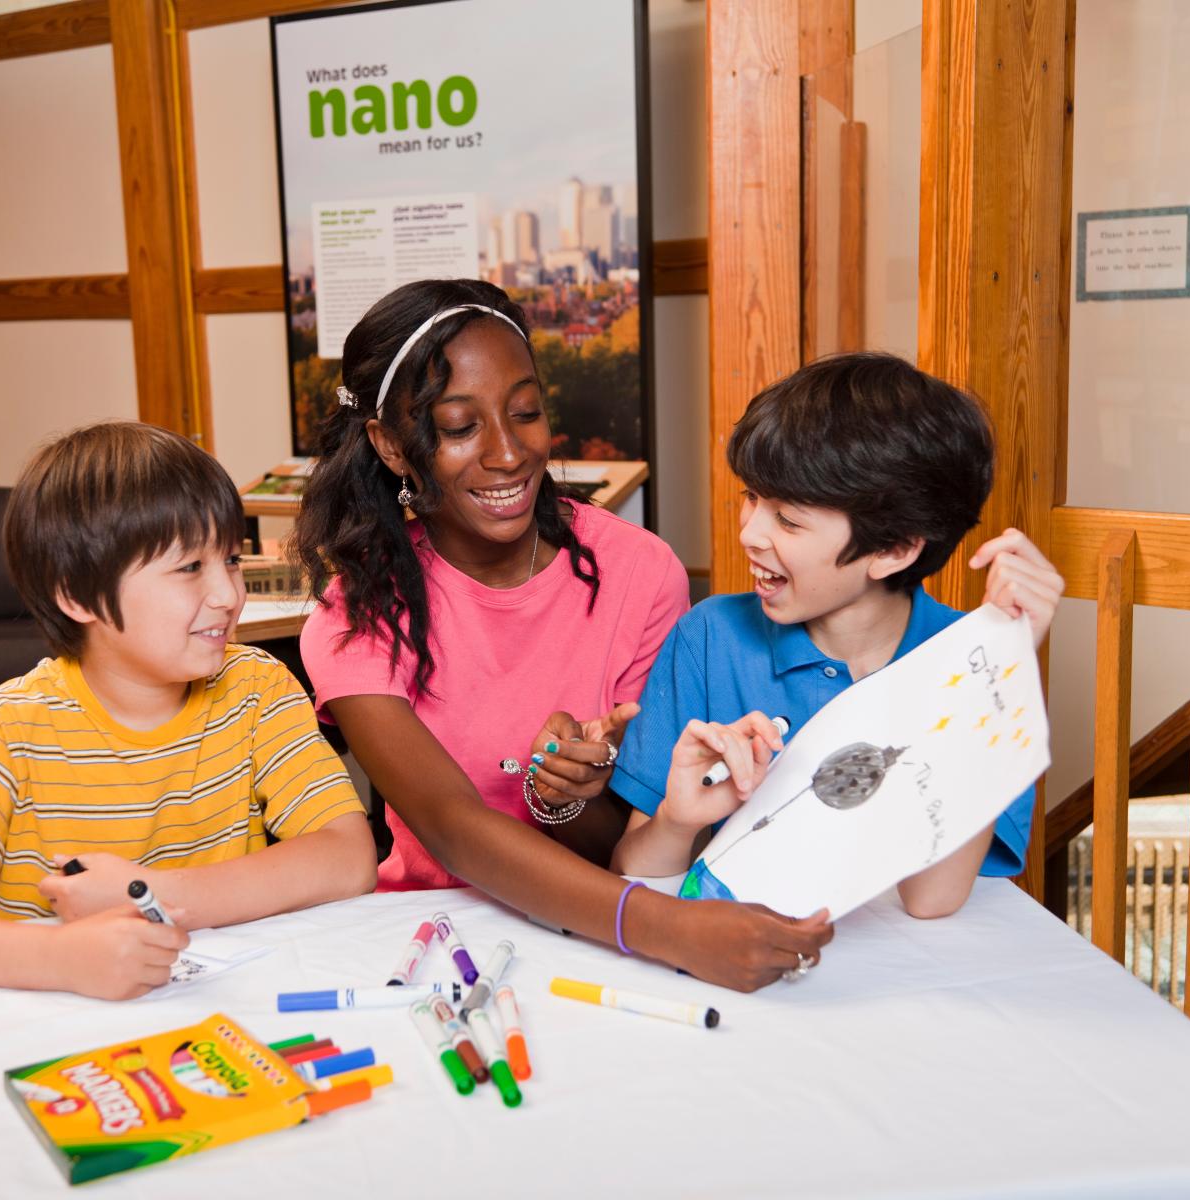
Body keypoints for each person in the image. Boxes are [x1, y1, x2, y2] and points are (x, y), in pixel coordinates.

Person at [294, 278, 833, 991]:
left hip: (600, 926)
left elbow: (635, 838)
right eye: (460, 428)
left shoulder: (639, 573)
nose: (509, 453)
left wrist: (569, 797)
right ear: (392, 448)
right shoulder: (357, 612)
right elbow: (452, 830)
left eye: (526, 413)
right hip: (434, 944)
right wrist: (667, 930)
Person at [0, 421, 375, 1000]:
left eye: (231, 560)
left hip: (222, 1012)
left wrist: (154, 893)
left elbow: (348, 857)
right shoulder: (4, 732)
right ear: (75, 593)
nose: (228, 594)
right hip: (62, 1027)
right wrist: (59, 958)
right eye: (190, 568)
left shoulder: (256, 690)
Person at [608, 353, 1062, 919]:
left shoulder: (971, 674)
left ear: (894, 549)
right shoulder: (708, 639)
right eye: (752, 497)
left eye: (789, 520)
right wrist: (678, 820)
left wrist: (999, 661)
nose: (749, 532)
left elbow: (931, 901)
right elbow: (635, 875)